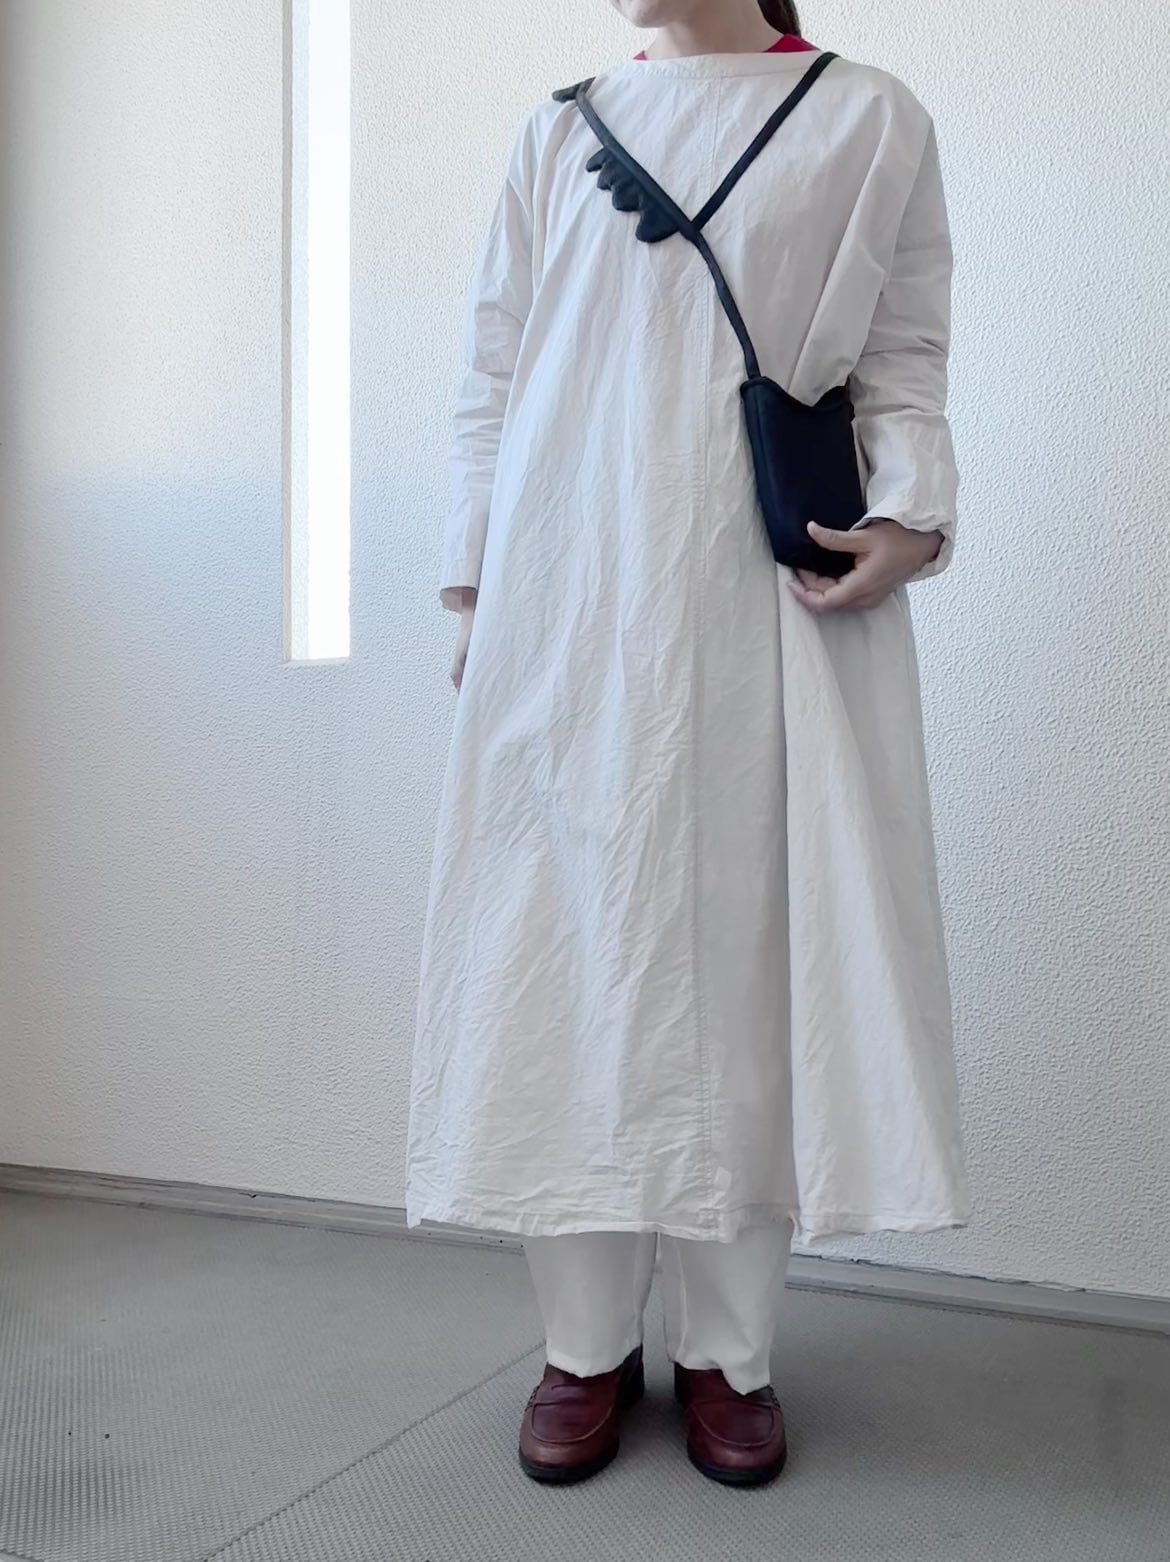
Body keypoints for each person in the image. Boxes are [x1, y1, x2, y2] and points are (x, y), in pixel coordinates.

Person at [408, 0, 968, 1488]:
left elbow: (903, 350)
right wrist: (474, 587)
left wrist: (911, 516)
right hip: (570, 598)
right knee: (564, 954)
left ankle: (733, 1351)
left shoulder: (869, 116)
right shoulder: (558, 130)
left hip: (770, 603)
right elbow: (493, 370)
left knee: (751, 960)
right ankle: (580, 1345)